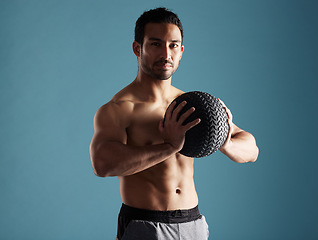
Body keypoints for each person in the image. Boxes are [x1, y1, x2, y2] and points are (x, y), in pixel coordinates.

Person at [90, 7, 259, 240]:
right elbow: (103, 164)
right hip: (146, 226)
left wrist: (224, 140)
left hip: (193, 224)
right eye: (156, 44)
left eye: (173, 45)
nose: (166, 54)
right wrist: (169, 147)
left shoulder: (192, 104)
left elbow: (252, 150)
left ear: (181, 51)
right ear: (137, 48)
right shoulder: (120, 108)